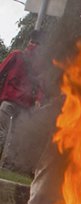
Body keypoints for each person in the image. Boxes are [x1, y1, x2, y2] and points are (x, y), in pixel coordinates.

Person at [0, 30, 43, 161]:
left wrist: (38, 100)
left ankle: (6, 164)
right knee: (12, 137)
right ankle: (7, 164)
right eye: (33, 42)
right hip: (22, 104)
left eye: (36, 43)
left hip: (13, 101)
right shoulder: (37, 65)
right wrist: (38, 100)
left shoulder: (17, 55)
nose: (33, 45)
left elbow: (1, 70)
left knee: (4, 133)